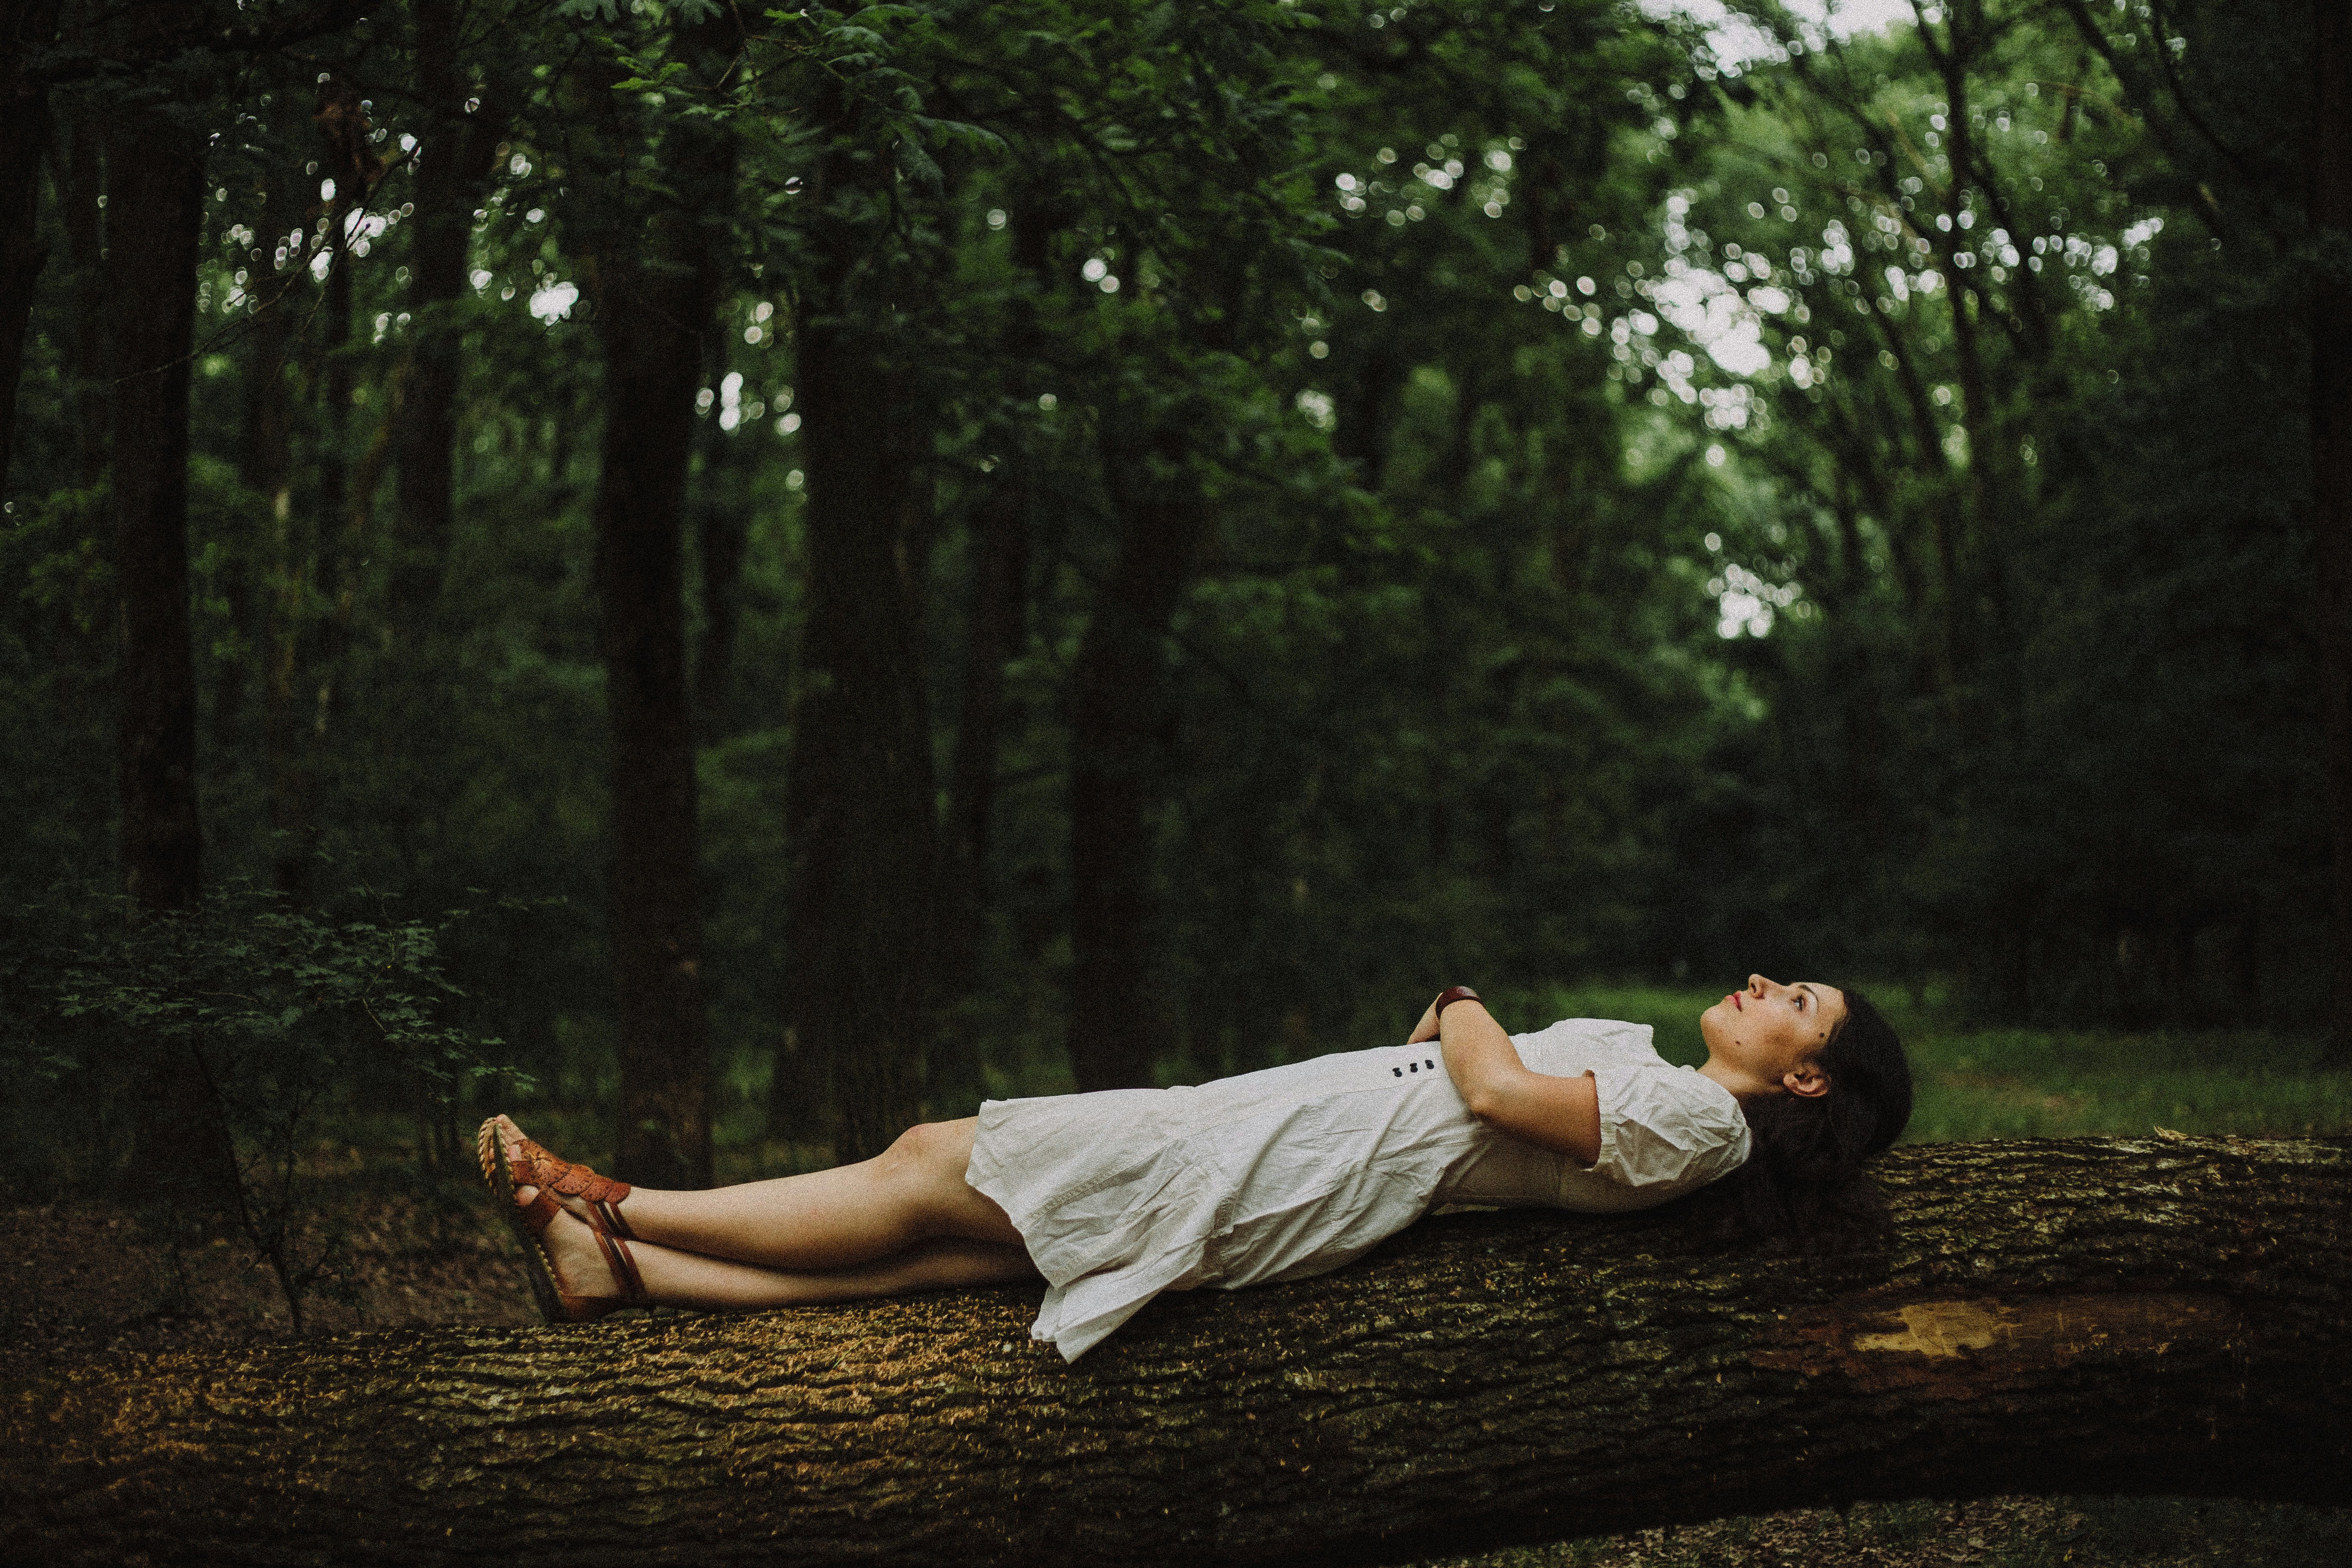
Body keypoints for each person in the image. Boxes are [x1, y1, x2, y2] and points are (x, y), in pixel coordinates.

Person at [481, 974, 1911, 1360]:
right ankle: (631, 1274)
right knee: (961, 1252)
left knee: (933, 1163)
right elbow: (1491, 1096)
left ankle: (622, 1200)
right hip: (1302, 1148)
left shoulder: (1704, 1126)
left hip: (1292, 1164)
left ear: (1805, 1080)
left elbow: (1485, 1084)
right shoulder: (1679, 1097)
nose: (1764, 981)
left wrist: (1462, 995)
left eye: (1798, 1004)